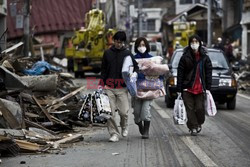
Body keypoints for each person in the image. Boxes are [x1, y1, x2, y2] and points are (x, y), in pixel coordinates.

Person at [99, 31, 137, 142]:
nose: (118, 44)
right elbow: (103, 70)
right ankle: (114, 133)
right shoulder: (107, 53)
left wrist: (133, 75)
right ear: (113, 41)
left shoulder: (128, 54)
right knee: (109, 113)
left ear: (123, 42)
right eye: (116, 41)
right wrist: (101, 85)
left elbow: (135, 67)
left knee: (124, 112)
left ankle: (124, 126)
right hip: (109, 87)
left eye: (120, 42)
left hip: (122, 88)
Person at [132, 37, 168, 139]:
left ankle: (146, 131)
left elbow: (159, 72)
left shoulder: (153, 59)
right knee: (137, 113)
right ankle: (139, 125)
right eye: (139, 45)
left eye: (143, 45)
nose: (141, 47)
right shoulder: (133, 59)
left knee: (145, 111)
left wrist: (158, 80)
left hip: (149, 90)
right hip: (137, 90)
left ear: (147, 46)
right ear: (136, 47)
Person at [177, 34, 212, 136]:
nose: (194, 44)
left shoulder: (205, 58)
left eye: (196, 42)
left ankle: (197, 123)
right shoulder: (184, 58)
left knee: (200, 109)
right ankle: (193, 127)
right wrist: (179, 89)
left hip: (200, 89)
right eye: (192, 42)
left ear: (200, 43)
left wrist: (208, 88)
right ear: (189, 44)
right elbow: (180, 74)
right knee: (190, 109)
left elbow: (209, 73)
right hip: (187, 88)